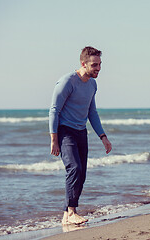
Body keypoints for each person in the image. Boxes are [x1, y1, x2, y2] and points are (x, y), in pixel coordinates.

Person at [49, 46, 112, 225]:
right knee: (74, 168)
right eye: (94, 65)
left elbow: (92, 112)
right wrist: (54, 139)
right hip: (64, 131)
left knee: (81, 173)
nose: (98, 68)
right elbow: (54, 110)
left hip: (81, 131)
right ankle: (71, 212)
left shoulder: (92, 84)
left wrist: (103, 136)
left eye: (99, 64)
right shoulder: (67, 82)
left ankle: (66, 216)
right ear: (83, 63)